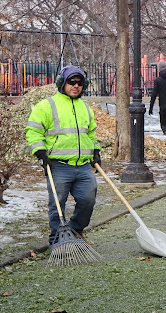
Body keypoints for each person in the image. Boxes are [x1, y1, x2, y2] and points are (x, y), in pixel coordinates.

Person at [25, 65, 101, 245]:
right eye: (71, 82)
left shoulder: (85, 108)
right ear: (62, 83)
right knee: (57, 204)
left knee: (88, 200)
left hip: (82, 165)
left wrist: (95, 150)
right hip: (58, 165)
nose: (76, 86)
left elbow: (90, 133)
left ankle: (75, 231)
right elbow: (33, 131)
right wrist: (41, 153)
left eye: (80, 83)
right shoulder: (46, 106)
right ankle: (57, 239)